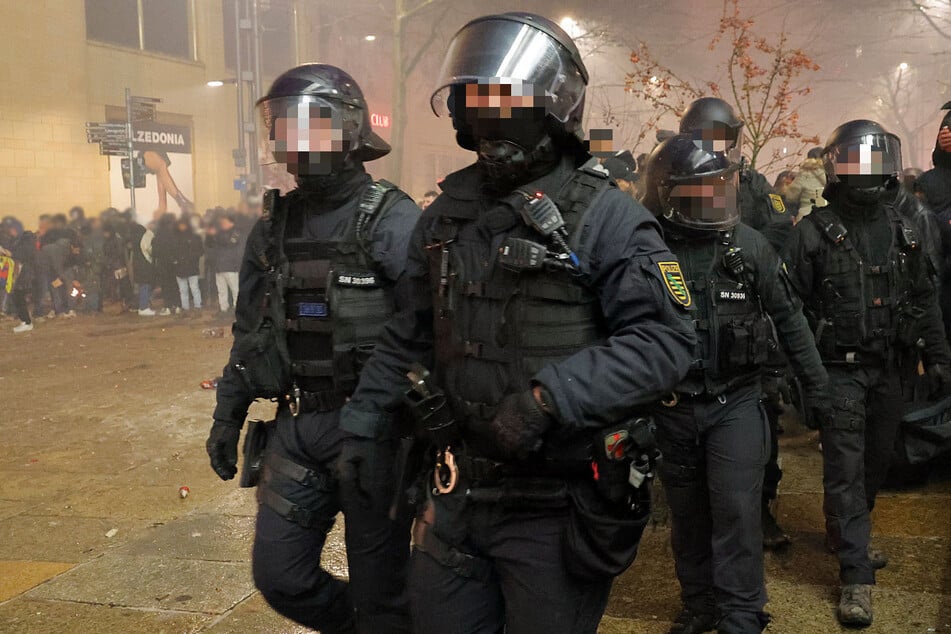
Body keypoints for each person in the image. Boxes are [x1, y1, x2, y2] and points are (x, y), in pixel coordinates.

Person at [338, 13, 696, 633]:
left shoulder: (608, 218)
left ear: (554, 113)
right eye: (476, 108)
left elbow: (665, 341)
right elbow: (409, 333)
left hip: (555, 504)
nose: (488, 126)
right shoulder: (446, 215)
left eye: (508, 108)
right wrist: (365, 427)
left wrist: (546, 400)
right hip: (455, 489)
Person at [205, 63, 420, 634]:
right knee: (282, 578)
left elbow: (425, 329)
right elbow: (251, 331)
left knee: (383, 591)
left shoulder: (393, 219)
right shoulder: (272, 227)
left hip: (378, 431)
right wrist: (228, 412)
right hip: (298, 427)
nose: (296, 143)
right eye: (284, 128)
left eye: (312, 127)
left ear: (350, 134)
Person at [640, 135, 828, 634]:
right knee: (688, 516)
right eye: (701, 191)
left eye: (721, 188)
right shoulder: (646, 249)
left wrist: (819, 390)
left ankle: (742, 614)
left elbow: (790, 321)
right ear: (668, 195)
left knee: (736, 511)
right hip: (672, 407)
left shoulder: (749, 245)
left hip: (737, 404)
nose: (716, 200)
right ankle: (699, 605)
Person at [782, 119, 951, 627]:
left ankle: (847, 534)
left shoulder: (905, 229)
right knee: (846, 471)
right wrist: (801, 379)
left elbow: (924, 299)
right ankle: (856, 574)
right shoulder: (811, 233)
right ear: (837, 166)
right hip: (839, 373)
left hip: (892, 370)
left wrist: (940, 358)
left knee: (875, 464)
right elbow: (791, 311)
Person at [680, 96, 792, 551]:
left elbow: (783, 223)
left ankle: (759, 509)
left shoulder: (757, 183)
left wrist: (750, 257)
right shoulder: (677, 175)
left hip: (748, 314)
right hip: (693, 307)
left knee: (761, 422)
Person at [1, 217, 36, 333]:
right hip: (22, 272)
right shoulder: (18, 240)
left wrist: (8, 253)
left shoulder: (26, 240)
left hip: (27, 272)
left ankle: (27, 322)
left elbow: (21, 255)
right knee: (16, 296)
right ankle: (25, 320)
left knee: (18, 295)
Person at [785, 147, 828, 222]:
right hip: (829, 219)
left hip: (807, 218)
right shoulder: (833, 173)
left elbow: (791, 197)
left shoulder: (805, 174)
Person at [211, 213, 242, 314]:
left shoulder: (236, 232)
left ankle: (237, 309)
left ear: (231, 222)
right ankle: (223, 308)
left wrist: (217, 235)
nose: (222, 224)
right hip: (219, 266)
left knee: (235, 290)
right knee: (222, 290)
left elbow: (230, 242)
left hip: (231, 266)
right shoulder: (219, 233)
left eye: (225, 222)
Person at [171, 216, 203, 313]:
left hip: (189, 266)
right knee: (183, 289)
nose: (182, 226)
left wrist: (189, 259)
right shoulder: (176, 237)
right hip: (182, 267)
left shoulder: (194, 236)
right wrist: (175, 260)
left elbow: (200, 251)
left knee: (193, 288)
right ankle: (186, 307)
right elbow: (172, 252)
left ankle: (197, 306)